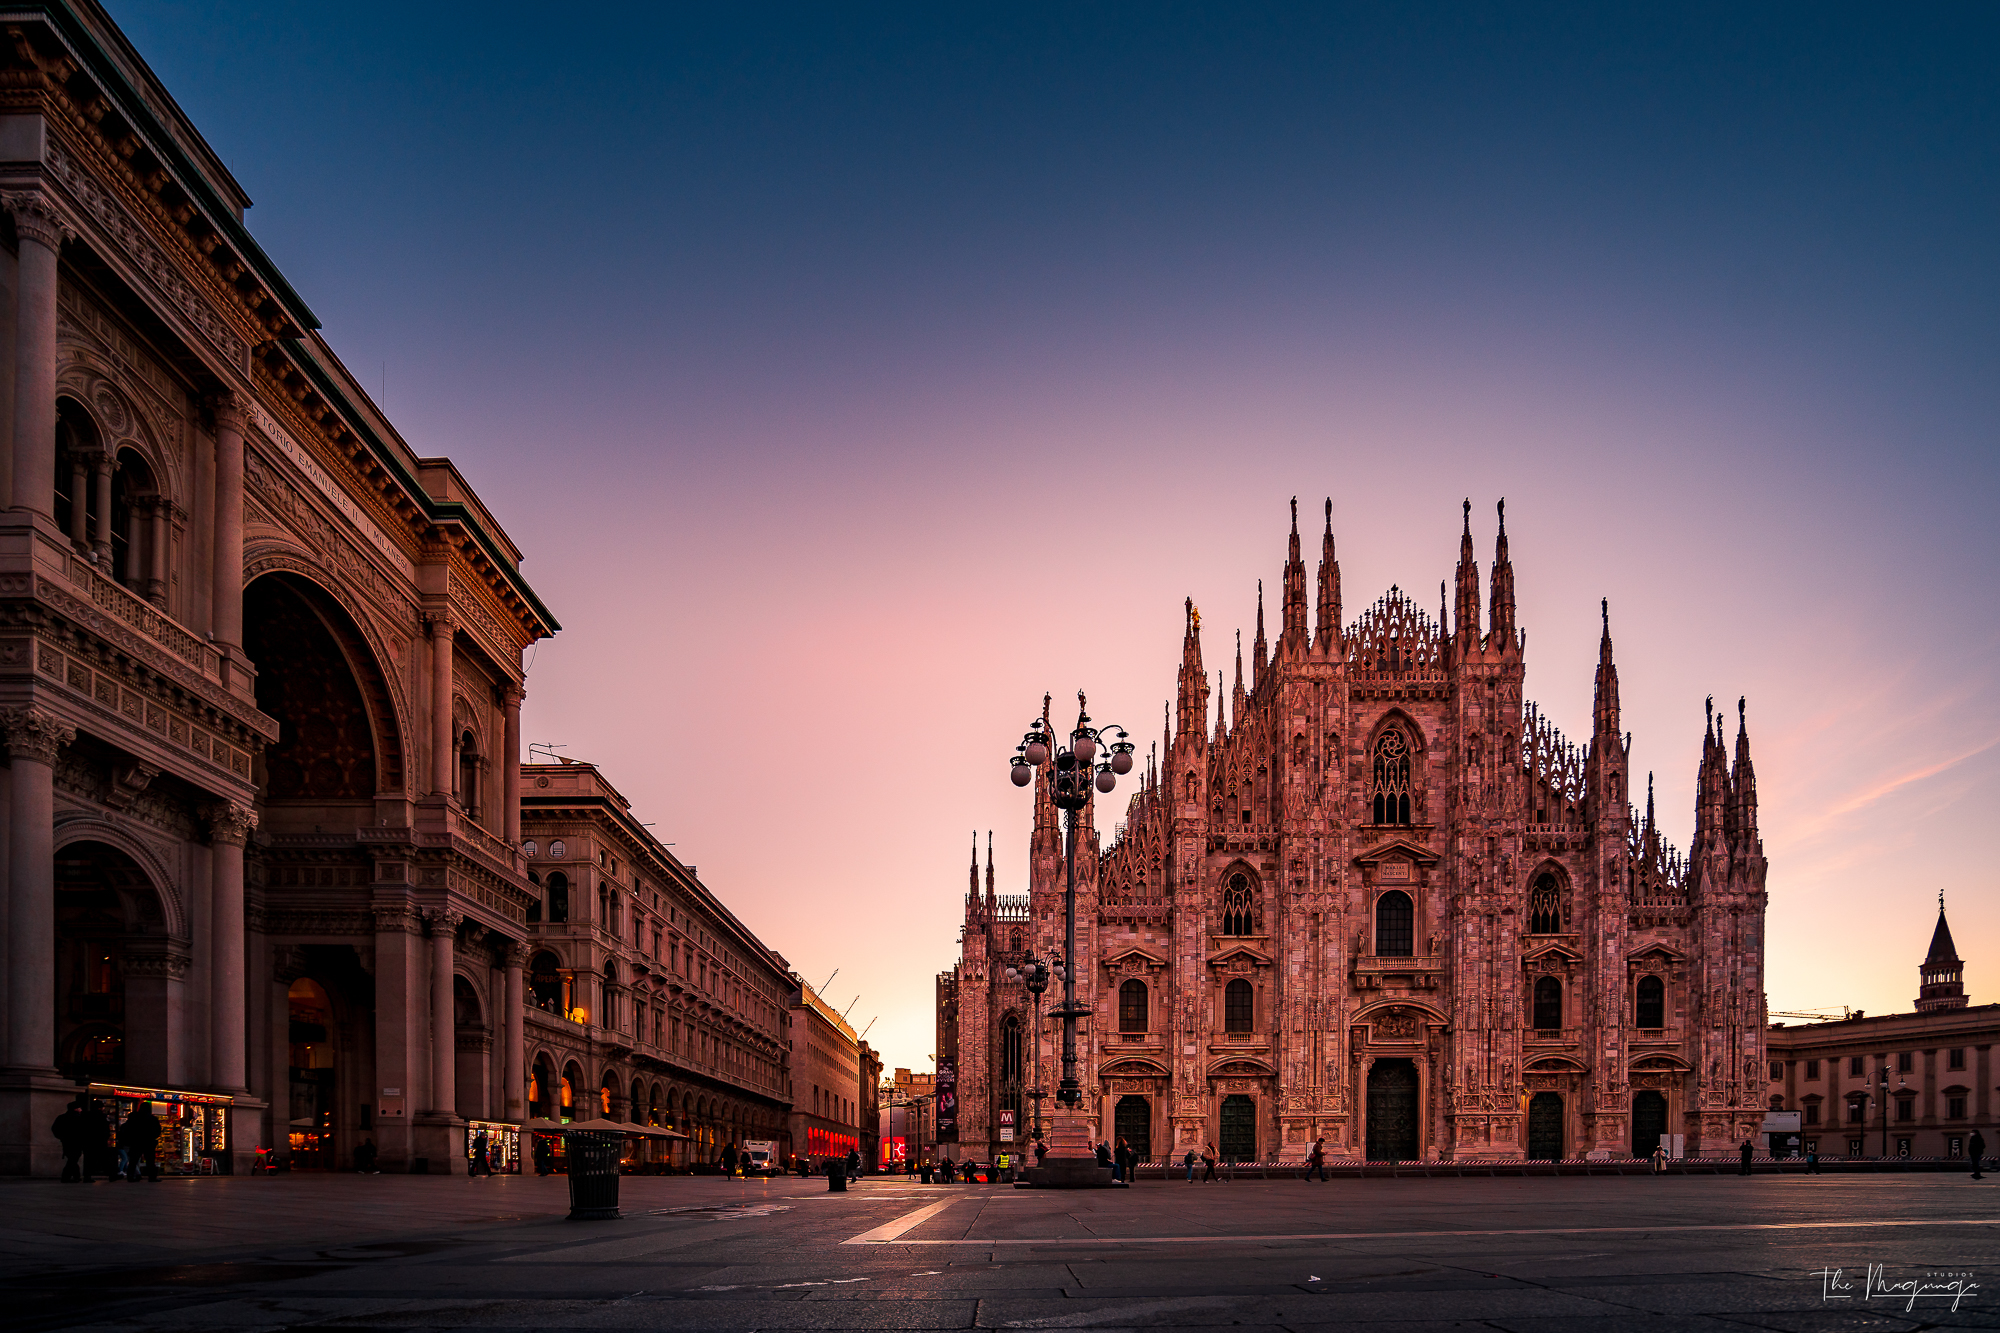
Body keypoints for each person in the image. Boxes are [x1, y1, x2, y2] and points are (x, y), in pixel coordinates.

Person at [118, 1102, 161, 1182]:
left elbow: (128, 1129)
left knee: (133, 1160)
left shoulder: (134, 1118)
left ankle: (130, 1176)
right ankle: (152, 1177)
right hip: (148, 1142)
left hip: (136, 1142)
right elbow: (157, 1130)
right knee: (150, 1160)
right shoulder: (152, 1119)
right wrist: (152, 1137)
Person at [53, 1101, 91, 1183]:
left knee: (72, 1159)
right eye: (79, 1108)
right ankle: (66, 1177)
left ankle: (76, 1176)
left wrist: (62, 1137)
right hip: (77, 1142)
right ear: (76, 1109)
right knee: (73, 1159)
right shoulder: (79, 1119)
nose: (81, 1110)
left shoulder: (61, 1117)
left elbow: (55, 1129)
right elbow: (84, 1131)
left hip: (66, 1142)